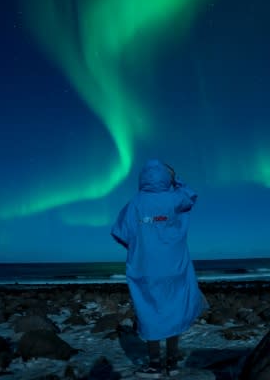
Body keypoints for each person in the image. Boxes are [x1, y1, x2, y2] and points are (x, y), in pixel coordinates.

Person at [111, 159, 207, 378]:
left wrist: (142, 242)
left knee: (150, 313)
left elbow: (120, 232)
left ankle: (154, 365)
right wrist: (176, 179)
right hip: (174, 267)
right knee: (173, 311)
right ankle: (172, 364)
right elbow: (191, 195)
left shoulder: (135, 203)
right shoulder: (173, 198)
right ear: (166, 177)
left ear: (143, 177)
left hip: (145, 269)